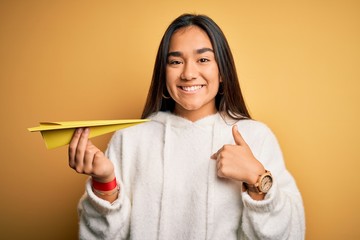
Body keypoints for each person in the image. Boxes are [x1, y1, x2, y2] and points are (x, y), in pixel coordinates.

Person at [68, 13, 305, 239]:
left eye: (203, 59)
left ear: (222, 71)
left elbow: (290, 234)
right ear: (163, 73)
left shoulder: (256, 136)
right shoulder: (129, 138)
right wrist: (104, 182)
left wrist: (257, 179)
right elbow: (99, 237)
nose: (189, 73)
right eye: (176, 61)